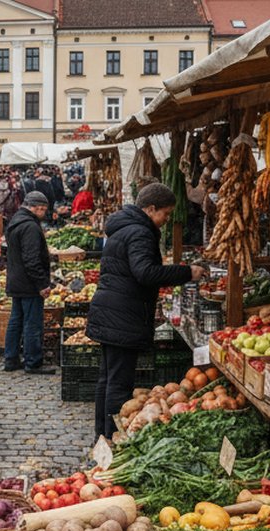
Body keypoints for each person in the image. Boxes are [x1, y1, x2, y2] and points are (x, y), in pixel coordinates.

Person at [86, 184, 203, 440]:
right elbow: (145, 272)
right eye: (166, 213)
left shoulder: (123, 228)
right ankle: (113, 439)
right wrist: (185, 272)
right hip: (123, 315)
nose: (167, 219)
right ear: (151, 209)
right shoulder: (140, 232)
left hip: (112, 312)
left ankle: (102, 436)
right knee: (118, 383)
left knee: (108, 379)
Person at [4, 192, 54, 374]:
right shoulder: (30, 227)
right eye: (44, 210)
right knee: (32, 323)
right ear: (38, 207)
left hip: (16, 280)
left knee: (16, 320)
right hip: (28, 284)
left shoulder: (15, 221)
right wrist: (42, 284)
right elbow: (32, 260)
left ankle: (10, 359)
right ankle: (33, 361)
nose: (44, 213)